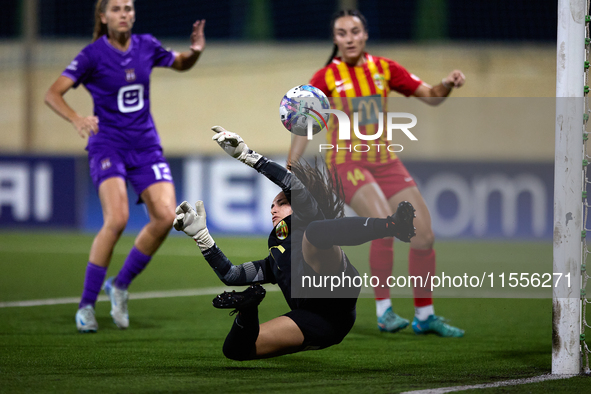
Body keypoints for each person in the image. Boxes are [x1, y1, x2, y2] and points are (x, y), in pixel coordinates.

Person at [288, 9, 465, 337]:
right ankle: (384, 311)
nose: (349, 38)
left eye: (354, 31)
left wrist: (447, 84)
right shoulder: (325, 77)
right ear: (335, 39)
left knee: (424, 235)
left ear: (365, 34)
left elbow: (431, 96)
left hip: (385, 161)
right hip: (346, 163)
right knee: (386, 223)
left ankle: (424, 315)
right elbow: (304, 124)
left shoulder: (385, 69)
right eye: (342, 33)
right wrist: (290, 169)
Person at [173, 126, 416, 360]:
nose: (273, 210)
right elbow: (232, 275)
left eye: (281, 203)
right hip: (314, 321)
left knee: (315, 231)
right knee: (236, 350)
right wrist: (201, 237)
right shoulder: (276, 258)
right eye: (271, 206)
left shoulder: (309, 216)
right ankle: (248, 308)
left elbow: (292, 185)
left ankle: (391, 226)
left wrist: (247, 156)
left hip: (337, 300)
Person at [44, 0, 206, 333]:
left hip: (146, 146)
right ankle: (87, 306)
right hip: (108, 146)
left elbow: (180, 64)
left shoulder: (147, 45)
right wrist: (76, 118)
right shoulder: (91, 55)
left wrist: (196, 52)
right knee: (116, 220)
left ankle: (120, 285)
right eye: (116, 9)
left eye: (129, 8)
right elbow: (52, 93)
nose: (124, 14)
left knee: (165, 218)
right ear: (103, 17)